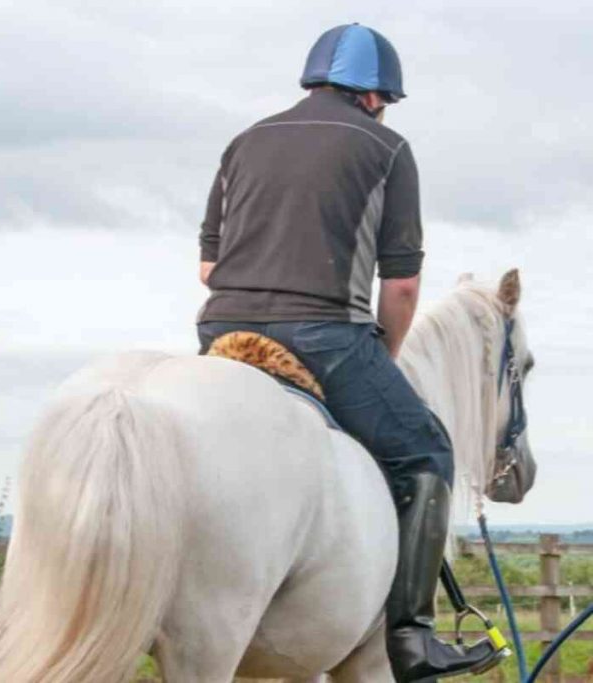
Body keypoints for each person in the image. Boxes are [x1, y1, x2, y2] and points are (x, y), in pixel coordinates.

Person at [195, 24, 500, 682]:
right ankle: (415, 639)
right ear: (375, 97)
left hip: (219, 330)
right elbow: (404, 284)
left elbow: (207, 266)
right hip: (324, 334)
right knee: (426, 451)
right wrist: (382, 355)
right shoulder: (387, 148)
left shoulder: (242, 142)